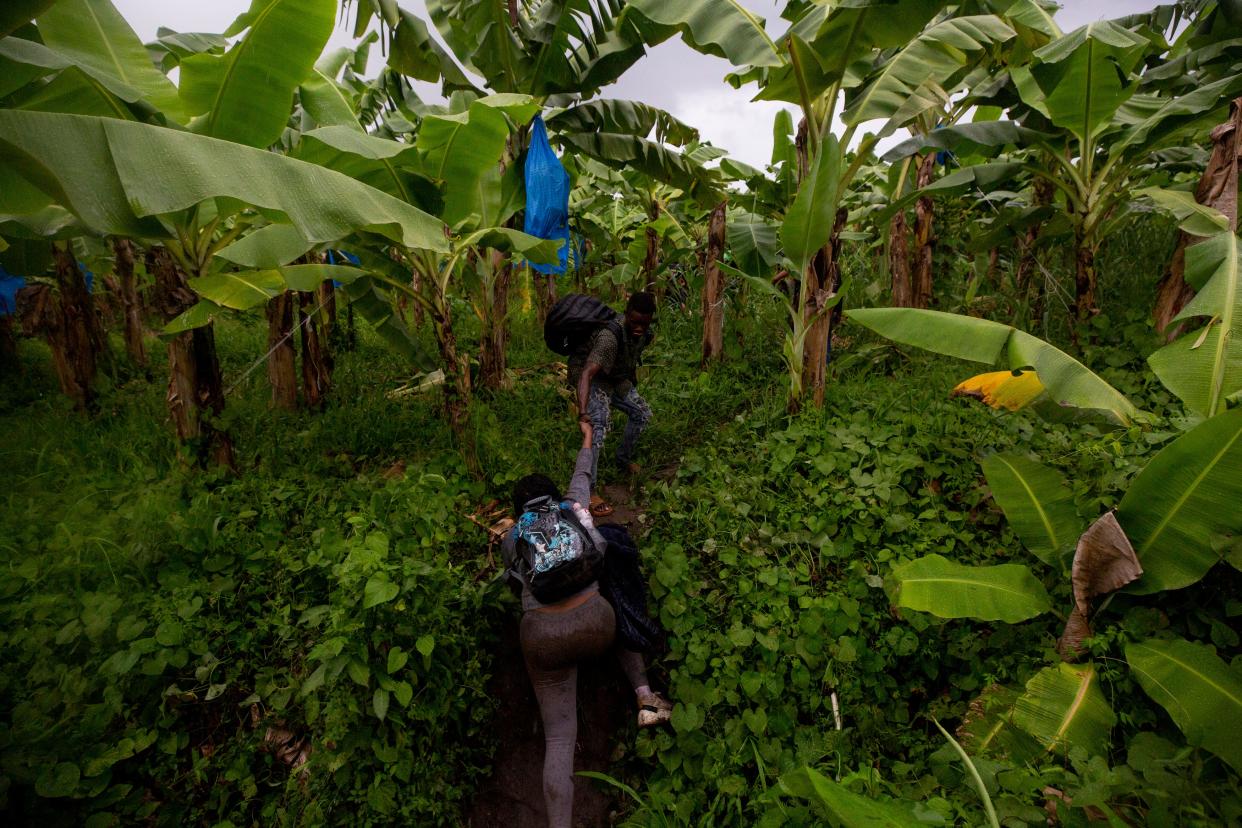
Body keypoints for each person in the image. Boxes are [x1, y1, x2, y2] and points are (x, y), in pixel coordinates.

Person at [502, 419, 671, 828]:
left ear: (518, 509)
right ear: (552, 497)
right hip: (597, 624)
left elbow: (514, 588)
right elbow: (585, 471)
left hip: (543, 639)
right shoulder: (571, 505)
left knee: (558, 739)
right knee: (614, 591)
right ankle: (645, 695)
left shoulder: (512, 538)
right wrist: (587, 436)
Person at [569, 291, 656, 516]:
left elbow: (629, 359)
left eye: (644, 323)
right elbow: (587, 373)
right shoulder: (609, 338)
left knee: (642, 414)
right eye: (634, 322)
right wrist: (582, 412)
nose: (638, 327)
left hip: (613, 376)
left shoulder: (646, 335)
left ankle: (622, 460)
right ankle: (589, 490)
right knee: (598, 425)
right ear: (626, 315)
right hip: (590, 375)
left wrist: (629, 385)